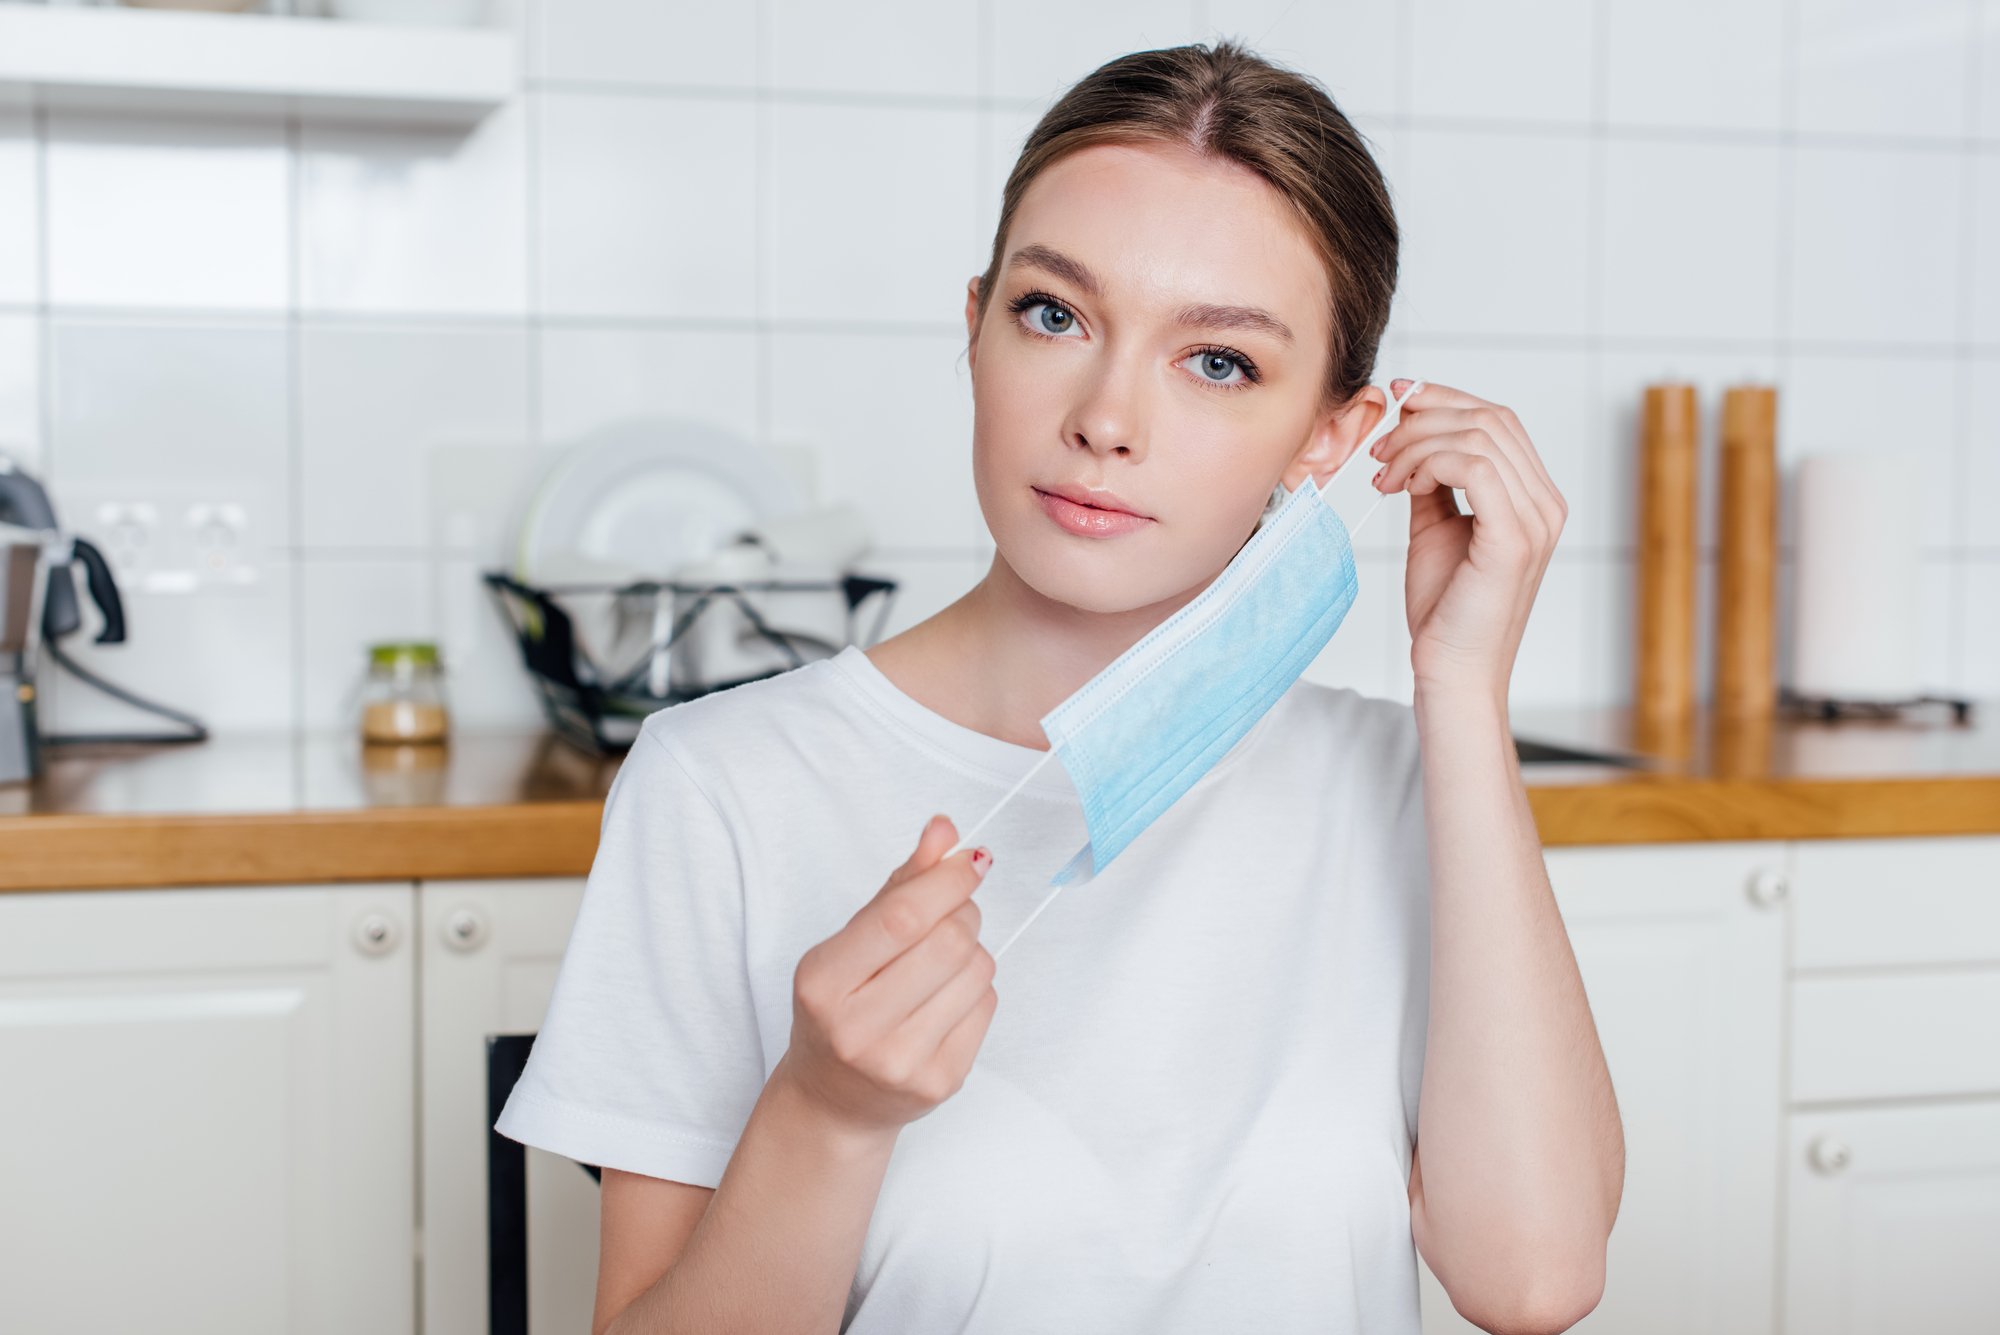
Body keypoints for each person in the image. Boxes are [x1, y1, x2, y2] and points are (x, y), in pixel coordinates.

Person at [496, 37, 1623, 1335]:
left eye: (1217, 362)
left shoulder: (1399, 784)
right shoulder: (722, 785)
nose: (1105, 417)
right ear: (973, 326)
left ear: (1328, 437)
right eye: (1055, 315)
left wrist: (1463, 689)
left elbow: (1534, 1283)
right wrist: (826, 1114)